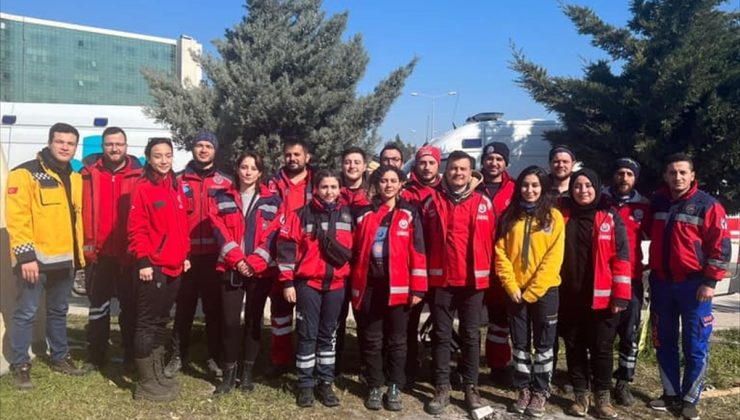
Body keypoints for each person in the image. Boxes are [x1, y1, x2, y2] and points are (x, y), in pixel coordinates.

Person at [647, 153, 730, 420]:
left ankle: (690, 398)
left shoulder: (707, 205)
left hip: (694, 286)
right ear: (665, 176)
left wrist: (710, 281)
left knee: (695, 344)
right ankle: (670, 393)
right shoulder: (657, 202)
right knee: (664, 341)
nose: (678, 177)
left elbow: (721, 246)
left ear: (693, 175)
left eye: (683, 172)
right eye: (672, 172)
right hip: (661, 284)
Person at [6, 122, 87, 389]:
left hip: (64, 261)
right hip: (35, 263)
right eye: (60, 141)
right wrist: (26, 257)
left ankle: (60, 356)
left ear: (76, 147)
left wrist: (79, 257)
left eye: (70, 143)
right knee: (26, 313)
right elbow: (17, 219)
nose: (65, 147)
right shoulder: (25, 174)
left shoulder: (75, 177)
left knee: (58, 312)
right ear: (50, 142)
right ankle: (20, 364)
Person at [421, 151, 495, 416]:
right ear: (446, 171)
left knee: (471, 335)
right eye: (453, 168)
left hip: (473, 282)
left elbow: (493, 241)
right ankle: (441, 386)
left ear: (471, 172)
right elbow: (424, 242)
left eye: (463, 169)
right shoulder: (432, 202)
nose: (458, 173)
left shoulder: (483, 202)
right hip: (442, 280)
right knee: (441, 335)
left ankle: (470, 387)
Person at [351, 165, 427, 411]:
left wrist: (417, 289)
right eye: (383, 180)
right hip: (370, 286)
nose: (388, 185)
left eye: (393, 180)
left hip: (400, 288)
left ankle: (395, 385)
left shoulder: (409, 213)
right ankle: (375, 384)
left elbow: (418, 252)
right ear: (376, 184)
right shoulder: (363, 213)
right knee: (372, 339)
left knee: (397, 340)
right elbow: (354, 250)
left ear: (401, 184)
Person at [276, 170, 354, 408]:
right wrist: (288, 282)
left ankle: (325, 383)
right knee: (308, 335)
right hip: (308, 284)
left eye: (333, 186)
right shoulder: (300, 215)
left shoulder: (349, 215)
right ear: (315, 189)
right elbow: (286, 249)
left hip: (337, 286)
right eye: (324, 187)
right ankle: (306, 385)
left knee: (328, 336)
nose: (329, 191)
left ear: (340, 189)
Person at [559, 169, 630, 419]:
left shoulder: (610, 217)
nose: (583, 190)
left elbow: (622, 257)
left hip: (602, 297)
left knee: (601, 349)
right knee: (574, 346)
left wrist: (620, 296)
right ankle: (580, 397)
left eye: (588, 185)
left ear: (597, 187)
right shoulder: (562, 215)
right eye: (577, 186)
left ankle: (603, 399)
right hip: (569, 296)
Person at [209, 151, 282, 395]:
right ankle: (228, 374)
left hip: (259, 271)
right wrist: (238, 260)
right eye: (244, 167)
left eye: (253, 168)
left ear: (260, 173)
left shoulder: (273, 201)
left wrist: (254, 262)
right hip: (231, 268)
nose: (248, 172)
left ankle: (247, 373)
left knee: (253, 321)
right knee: (230, 322)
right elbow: (219, 230)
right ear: (237, 169)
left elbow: (273, 235)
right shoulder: (221, 198)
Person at [495, 166, 564, 417]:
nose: (530, 190)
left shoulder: (553, 218)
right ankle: (523, 388)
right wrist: (511, 285)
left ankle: (540, 391)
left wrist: (533, 291)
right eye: (525, 185)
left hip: (545, 291)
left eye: (535, 185)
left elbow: (553, 258)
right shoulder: (509, 216)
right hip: (515, 291)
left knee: (544, 344)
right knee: (521, 344)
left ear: (543, 187)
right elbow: (500, 253)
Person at [127, 137, 191, 401]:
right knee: (146, 323)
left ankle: (156, 372)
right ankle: (144, 384)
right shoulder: (143, 188)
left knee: (161, 321)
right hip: (152, 267)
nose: (163, 160)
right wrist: (143, 261)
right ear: (148, 158)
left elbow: (181, 225)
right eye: (157, 156)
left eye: (167, 155)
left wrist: (185, 254)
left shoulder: (175, 186)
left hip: (175, 266)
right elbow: (136, 228)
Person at [165, 131, 231, 379]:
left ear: (215, 151)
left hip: (215, 257)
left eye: (208, 146)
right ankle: (177, 356)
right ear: (193, 149)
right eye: (199, 145)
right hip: (187, 257)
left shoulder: (226, 182)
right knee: (183, 310)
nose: (203, 150)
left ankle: (214, 358)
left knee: (214, 311)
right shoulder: (177, 180)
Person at [80, 127, 143, 372]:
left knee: (130, 308)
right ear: (103, 146)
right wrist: (85, 248)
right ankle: (96, 355)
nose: (114, 148)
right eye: (109, 144)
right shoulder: (87, 174)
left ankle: (130, 355)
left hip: (129, 254)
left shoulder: (139, 174)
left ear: (126, 146)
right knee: (98, 307)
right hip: (99, 253)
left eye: (119, 144)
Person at [602, 158, 652, 406]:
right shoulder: (600, 200)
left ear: (635, 178)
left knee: (629, 334)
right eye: (620, 172)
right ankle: (598, 377)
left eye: (629, 174)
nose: (624, 178)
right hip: (601, 279)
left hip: (631, 280)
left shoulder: (644, 206)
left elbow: (660, 236)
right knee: (601, 333)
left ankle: (623, 382)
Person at [265, 137, 314, 376]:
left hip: (307, 258)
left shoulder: (317, 183)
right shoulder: (271, 182)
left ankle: (306, 361)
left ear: (307, 157)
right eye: (288, 155)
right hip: (277, 255)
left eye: (297, 154)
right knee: (280, 313)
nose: (292, 159)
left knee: (306, 314)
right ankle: (280, 360)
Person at [399, 145, 442, 384]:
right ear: (416, 165)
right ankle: (409, 365)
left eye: (431, 162)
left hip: (438, 267)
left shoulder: (446, 191)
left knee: (441, 322)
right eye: (422, 162)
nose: (426, 167)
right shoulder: (406, 193)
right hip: (412, 267)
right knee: (409, 322)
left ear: (438, 165)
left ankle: (439, 369)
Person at [477, 142, 516, 384]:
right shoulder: (472, 187)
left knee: (499, 321)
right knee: (469, 321)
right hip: (474, 263)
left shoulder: (515, 189)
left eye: (499, 159)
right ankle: (465, 364)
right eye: (490, 159)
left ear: (506, 163)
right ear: (483, 162)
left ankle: (499, 365)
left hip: (502, 265)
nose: (494, 163)